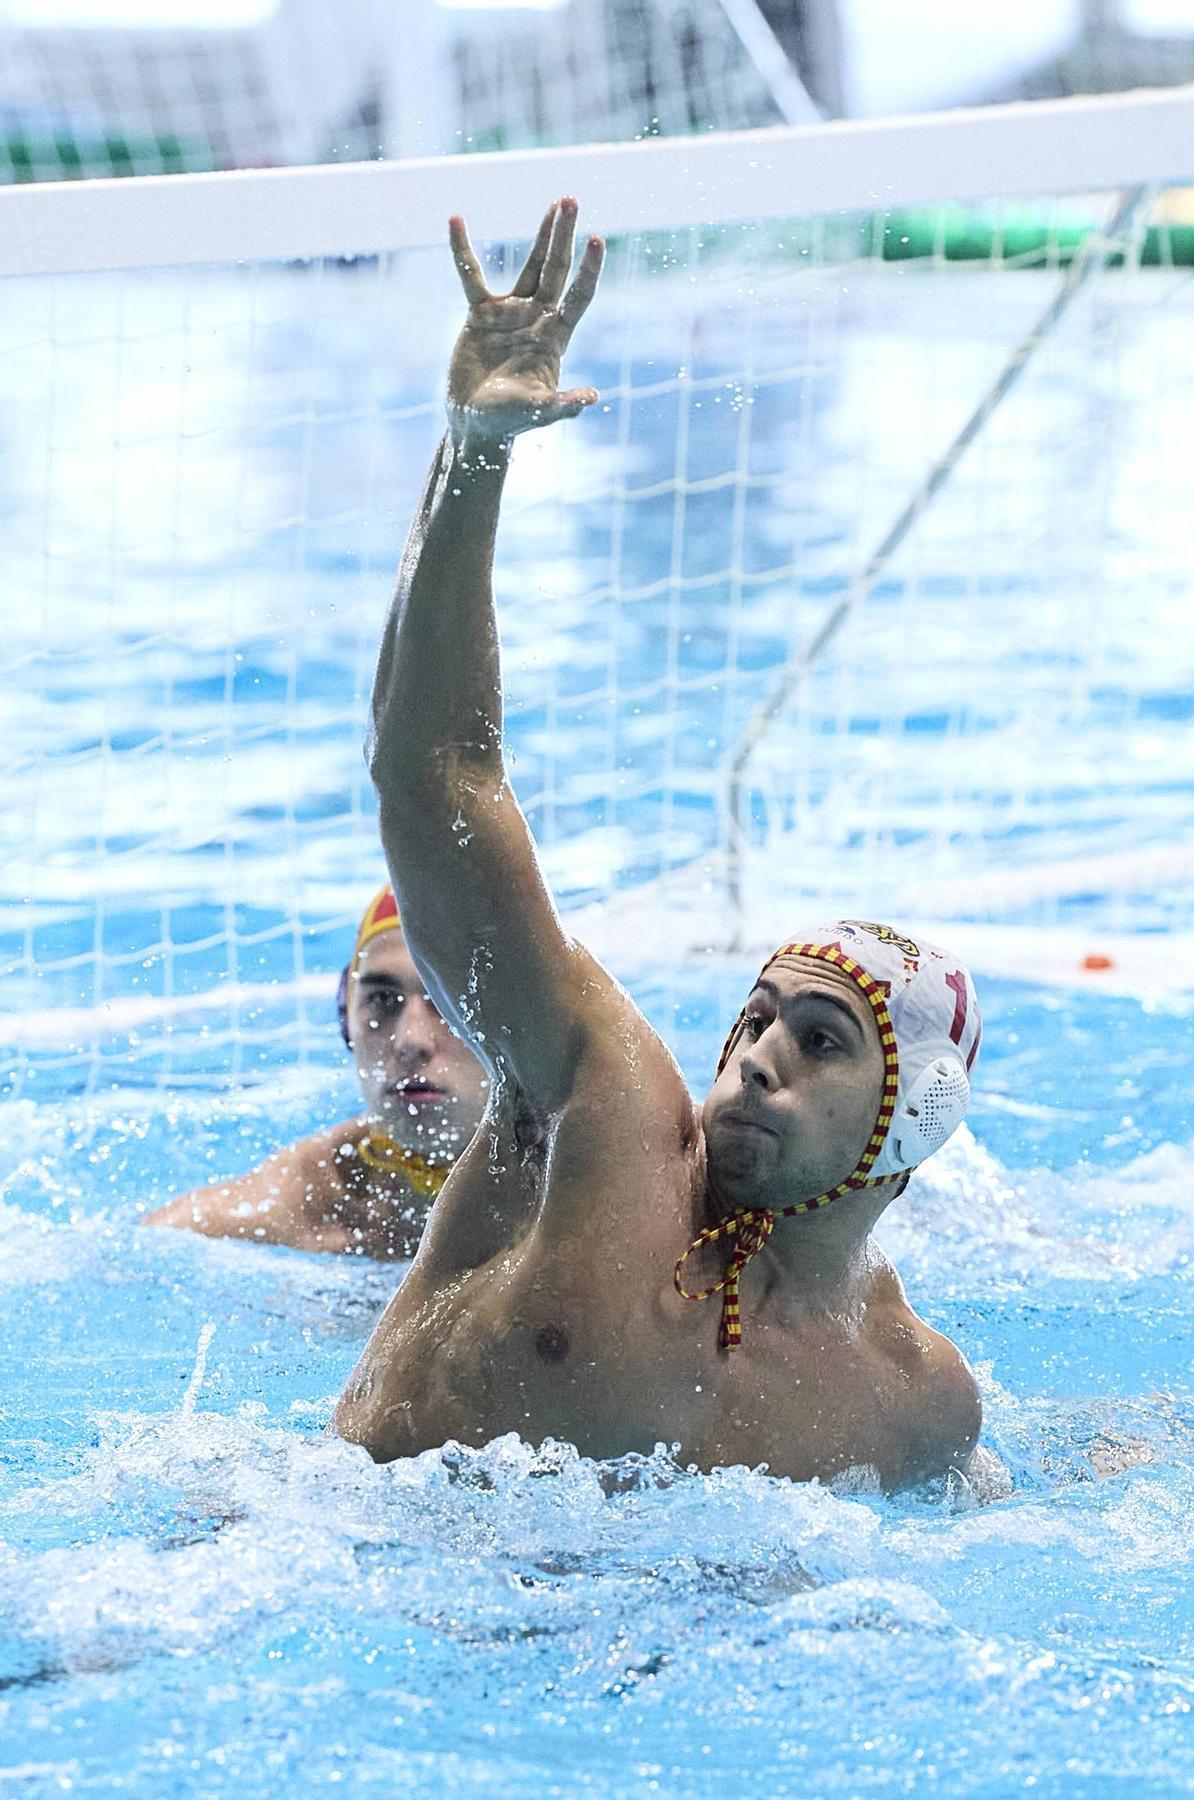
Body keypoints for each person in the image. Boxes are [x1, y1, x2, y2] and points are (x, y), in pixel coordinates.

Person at [332, 197, 985, 1488]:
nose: (750, 1060)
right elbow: (432, 777)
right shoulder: (607, 1114)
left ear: (916, 1118)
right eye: (755, 1020)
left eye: (818, 1040)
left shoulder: (916, 1406)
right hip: (307, 1569)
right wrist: (474, 454)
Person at [142, 887, 488, 1258]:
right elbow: (151, 1242)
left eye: (451, 999)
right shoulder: (288, 1210)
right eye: (383, 1000)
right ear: (346, 1018)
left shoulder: (556, 1192)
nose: (410, 1040)